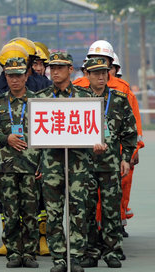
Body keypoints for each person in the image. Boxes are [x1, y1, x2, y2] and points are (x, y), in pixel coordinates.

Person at [34, 52, 103, 272]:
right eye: (51, 68)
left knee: (78, 211)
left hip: (78, 164)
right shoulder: (41, 99)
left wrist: (101, 143)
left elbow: (103, 130)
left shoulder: (86, 98)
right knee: (54, 213)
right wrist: (37, 164)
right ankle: (59, 259)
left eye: (60, 68)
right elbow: (33, 134)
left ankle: (76, 256)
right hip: (51, 164)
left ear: (70, 69)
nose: (54, 72)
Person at [73, 41, 144, 237]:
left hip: (115, 155)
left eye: (104, 63)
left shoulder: (122, 89)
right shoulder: (77, 89)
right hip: (85, 157)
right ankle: (93, 238)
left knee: (115, 197)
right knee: (87, 199)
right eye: (94, 63)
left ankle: (114, 235)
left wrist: (132, 151)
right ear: (87, 69)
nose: (100, 69)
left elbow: (133, 124)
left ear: (111, 65)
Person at [0, 57, 41, 268]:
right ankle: (14, 253)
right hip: (6, 167)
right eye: (10, 76)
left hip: (31, 166)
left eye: (19, 75)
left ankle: (30, 254)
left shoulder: (38, 102)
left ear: (26, 76)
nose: (15, 80)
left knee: (31, 213)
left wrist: (42, 163)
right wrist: (6, 138)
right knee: (10, 212)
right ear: (5, 77)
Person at [80, 57, 137, 268]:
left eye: (104, 73)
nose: (101, 77)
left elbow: (129, 133)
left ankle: (113, 251)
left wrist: (126, 159)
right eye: (96, 73)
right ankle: (92, 251)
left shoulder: (119, 99)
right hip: (85, 164)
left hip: (111, 165)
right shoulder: (79, 100)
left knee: (111, 209)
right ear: (87, 75)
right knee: (87, 210)